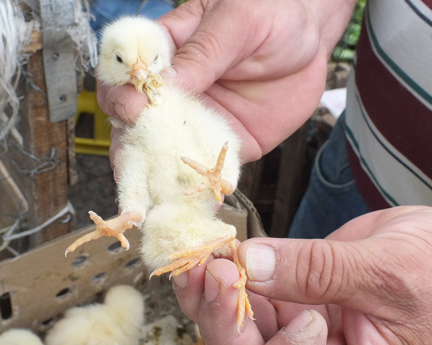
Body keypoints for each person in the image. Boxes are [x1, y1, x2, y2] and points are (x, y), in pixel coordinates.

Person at [96, 0, 432, 343]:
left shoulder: (182, 106)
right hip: (357, 152)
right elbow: (138, 165)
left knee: (284, 275)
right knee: (285, 293)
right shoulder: (162, 107)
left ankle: (241, 263)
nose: (139, 72)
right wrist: (309, 13)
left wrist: (221, 176)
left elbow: (217, 141)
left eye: (148, 62)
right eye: (124, 62)